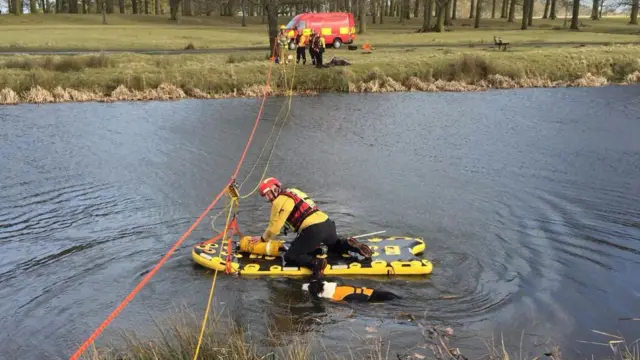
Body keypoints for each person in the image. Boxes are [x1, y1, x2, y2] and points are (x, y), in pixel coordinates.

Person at [250, 177, 373, 279]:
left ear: (275, 189)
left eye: (267, 194)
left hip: (313, 230)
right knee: (335, 247)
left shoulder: (278, 202)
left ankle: (316, 264)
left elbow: (274, 229)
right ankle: (349, 245)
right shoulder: (293, 191)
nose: (267, 198)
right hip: (327, 223)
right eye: (264, 196)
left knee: (290, 256)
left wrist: (262, 238)